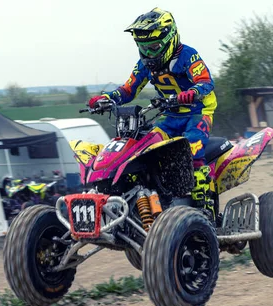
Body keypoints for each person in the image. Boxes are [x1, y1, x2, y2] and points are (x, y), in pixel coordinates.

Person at [88, 7, 217, 215]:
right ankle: (159, 197)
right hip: (170, 115)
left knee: (192, 149)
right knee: (148, 147)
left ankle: (205, 203)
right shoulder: (144, 65)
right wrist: (106, 99)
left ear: (170, 38)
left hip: (197, 112)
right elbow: (128, 90)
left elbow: (206, 82)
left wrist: (192, 92)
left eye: (154, 47)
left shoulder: (188, 56)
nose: (148, 53)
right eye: (143, 47)